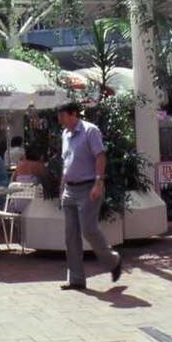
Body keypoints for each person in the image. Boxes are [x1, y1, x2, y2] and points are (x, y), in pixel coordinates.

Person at [56, 102, 122, 291]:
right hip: (70, 189)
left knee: (88, 230)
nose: (61, 120)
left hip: (87, 188)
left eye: (63, 116)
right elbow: (66, 162)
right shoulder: (65, 135)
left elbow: (100, 156)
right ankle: (76, 279)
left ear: (73, 114)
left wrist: (98, 182)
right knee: (71, 236)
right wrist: (62, 187)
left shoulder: (90, 131)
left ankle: (113, 260)